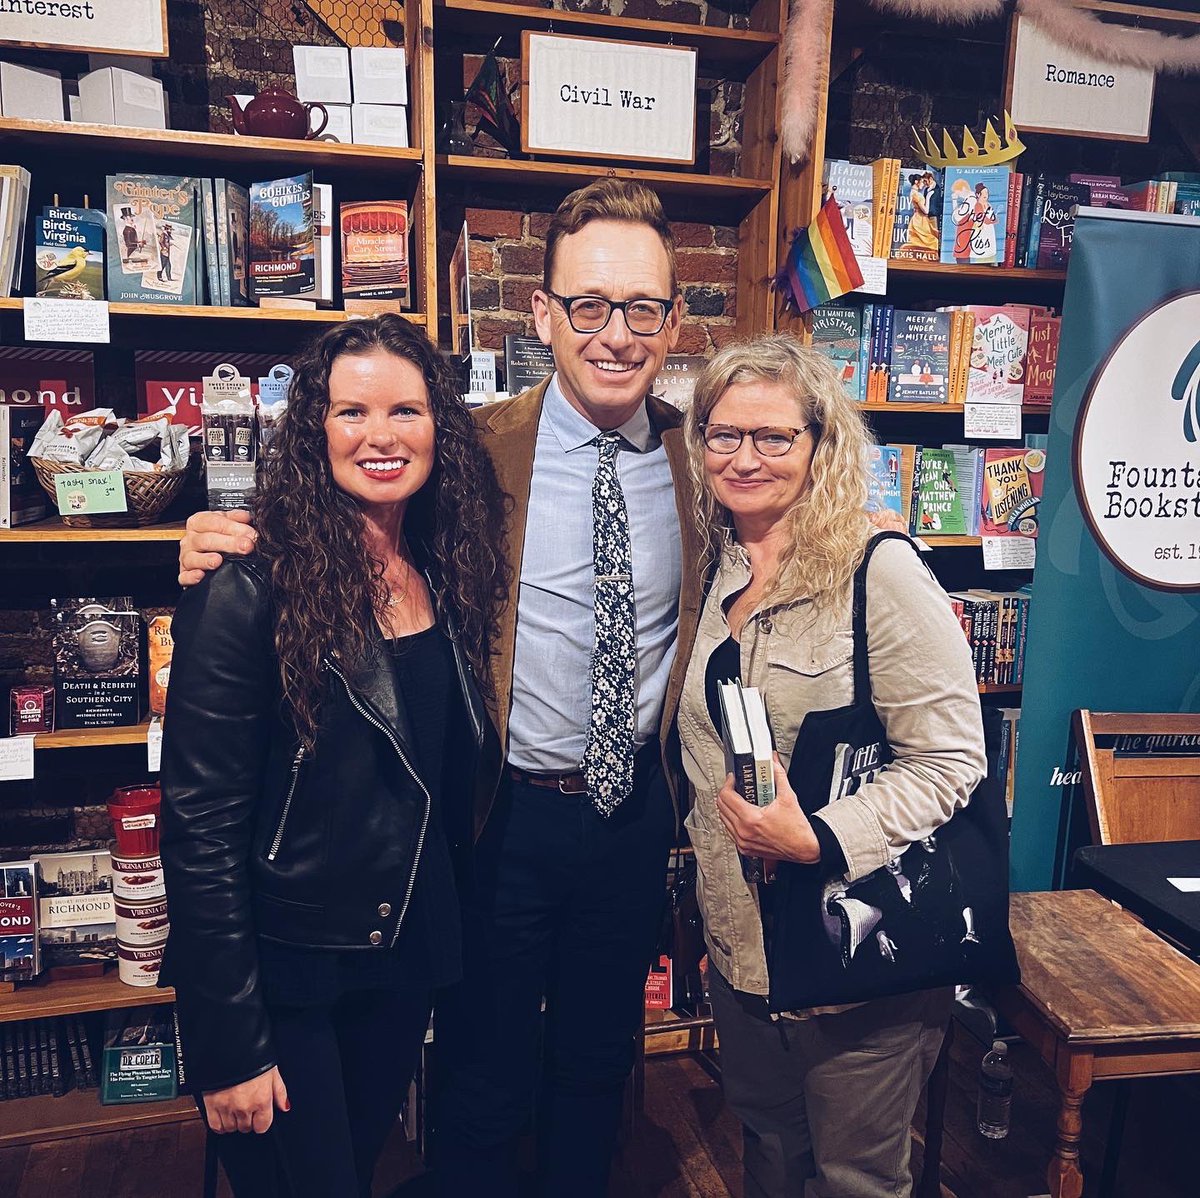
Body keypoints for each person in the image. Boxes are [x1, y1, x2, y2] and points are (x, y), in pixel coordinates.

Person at [177, 179, 704, 1198]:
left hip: (633, 813)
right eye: (589, 304)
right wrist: (211, 541)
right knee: (482, 1070)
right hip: (496, 813)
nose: (616, 333)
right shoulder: (473, 444)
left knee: (601, 1065)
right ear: (543, 311)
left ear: (675, 319)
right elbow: (343, 503)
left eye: (643, 307)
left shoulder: (706, 456)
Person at [160, 314, 505, 1198]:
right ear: (313, 429)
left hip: (398, 959)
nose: (381, 437)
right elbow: (197, 830)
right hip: (291, 978)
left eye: (406, 412)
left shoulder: (442, 564)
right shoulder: (245, 582)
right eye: (352, 413)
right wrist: (229, 1042)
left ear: (441, 426)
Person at [677, 333, 986, 1198]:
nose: (746, 457)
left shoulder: (877, 569)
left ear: (821, 443)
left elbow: (953, 760)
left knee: (854, 1178)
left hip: (859, 958)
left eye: (774, 436)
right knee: (770, 1150)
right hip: (743, 950)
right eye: (724, 435)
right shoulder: (713, 567)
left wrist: (819, 836)